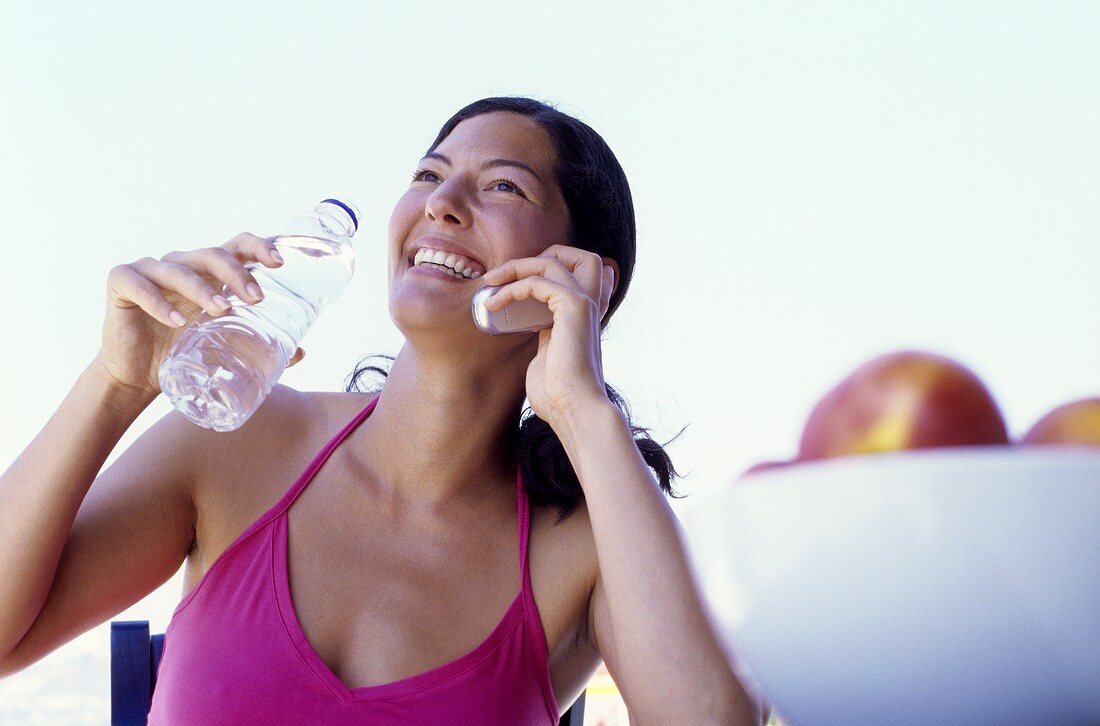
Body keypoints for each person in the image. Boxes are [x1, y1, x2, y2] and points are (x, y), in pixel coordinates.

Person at [0, 97, 764, 724]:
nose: (442, 203)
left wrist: (584, 408)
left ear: (585, 276)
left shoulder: (585, 545)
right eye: (429, 174)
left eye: (503, 186)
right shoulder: (239, 444)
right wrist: (115, 383)